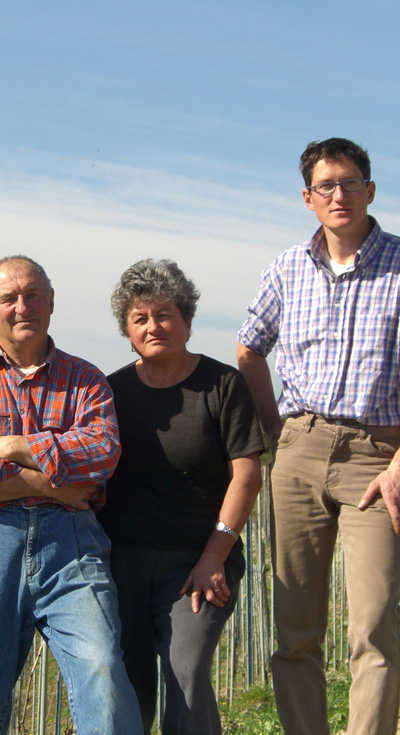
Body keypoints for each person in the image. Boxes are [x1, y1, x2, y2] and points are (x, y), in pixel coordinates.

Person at [236, 138, 400, 735]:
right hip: (300, 449)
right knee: (295, 633)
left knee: (374, 628)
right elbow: (249, 349)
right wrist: (276, 432)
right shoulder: (286, 268)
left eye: (351, 182)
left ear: (370, 190)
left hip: (378, 458)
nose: (340, 194)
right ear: (307, 198)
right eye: (326, 186)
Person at [0, 255, 143, 735]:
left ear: (50, 303)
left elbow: (102, 454)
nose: (21, 306)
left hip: (71, 545)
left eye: (32, 295)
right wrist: (57, 486)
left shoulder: (86, 381)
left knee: (102, 668)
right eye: (8, 298)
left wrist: (15, 447)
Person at [99, 258, 264, 735]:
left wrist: (215, 556)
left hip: (198, 562)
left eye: (165, 314)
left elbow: (247, 476)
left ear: (187, 321)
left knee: (186, 669)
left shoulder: (222, 386)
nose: (153, 326)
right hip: (122, 564)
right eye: (140, 318)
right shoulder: (109, 392)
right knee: (126, 684)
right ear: (127, 330)